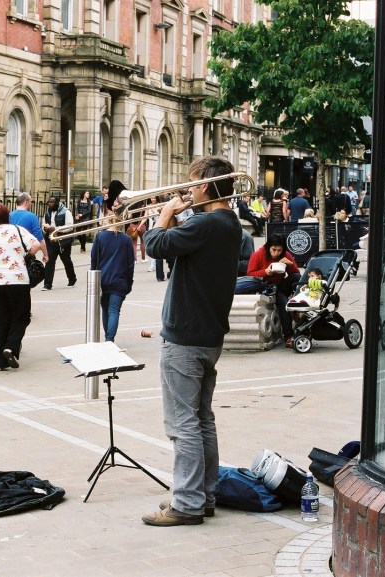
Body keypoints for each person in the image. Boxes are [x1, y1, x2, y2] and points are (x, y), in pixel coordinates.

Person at [141, 156, 242, 527]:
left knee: (182, 423)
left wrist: (165, 214)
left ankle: (186, 503)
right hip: (208, 334)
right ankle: (204, 496)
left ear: (206, 187)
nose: (187, 189)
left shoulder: (208, 223)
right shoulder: (227, 223)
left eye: (192, 183)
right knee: (201, 420)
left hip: (185, 337)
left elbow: (155, 245)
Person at [0, 203, 39, 370]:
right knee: (21, 316)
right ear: (7, 216)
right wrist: (25, 255)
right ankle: (11, 346)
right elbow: (36, 245)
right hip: (18, 279)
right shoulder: (18, 230)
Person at [247, 234, 301, 347]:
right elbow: (250, 274)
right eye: (273, 250)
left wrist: (290, 265)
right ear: (268, 247)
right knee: (283, 302)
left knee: (297, 278)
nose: (276, 253)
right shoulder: (258, 254)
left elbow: (296, 274)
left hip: (282, 283)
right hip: (268, 286)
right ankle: (288, 336)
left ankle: (297, 306)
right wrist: (265, 272)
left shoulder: (286, 255)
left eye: (279, 250)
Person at [90, 211, 134, 342]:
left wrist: (94, 280)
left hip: (102, 279)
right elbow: (130, 264)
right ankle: (109, 339)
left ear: (108, 220)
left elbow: (94, 260)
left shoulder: (100, 237)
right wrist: (129, 282)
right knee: (114, 310)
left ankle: (108, 338)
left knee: (105, 310)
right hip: (120, 280)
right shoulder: (126, 239)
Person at [42, 194, 77, 290]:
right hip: (51, 240)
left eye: (52, 202)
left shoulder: (66, 212)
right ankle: (47, 284)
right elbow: (43, 225)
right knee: (49, 261)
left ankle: (72, 279)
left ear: (57, 203)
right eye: (49, 202)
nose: (50, 204)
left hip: (63, 240)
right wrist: (45, 229)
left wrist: (56, 229)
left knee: (66, 260)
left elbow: (69, 226)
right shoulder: (47, 213)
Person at [9, 192, 49, 264]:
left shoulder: (9, 215)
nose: (31, 203)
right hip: (26, 253)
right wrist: (45, 254)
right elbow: (39, 238)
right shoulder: (32, 216)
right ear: (26, 202)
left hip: (11, 252)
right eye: (30, 201)